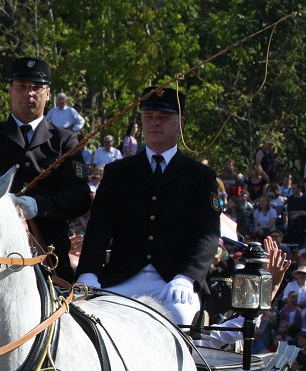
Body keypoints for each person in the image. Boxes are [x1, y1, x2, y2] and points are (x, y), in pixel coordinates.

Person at [76, 86, 220, 325]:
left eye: (163, 118)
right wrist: (88, 272)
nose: (155, 123)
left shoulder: (200, 177)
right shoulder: (118, 173)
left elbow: (207, 235)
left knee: (181, 319)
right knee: (84, 320)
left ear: (180, 123)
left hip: (172, 281)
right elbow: (99, 228)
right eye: (149, 117)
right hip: (122, 278)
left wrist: (187, 277)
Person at [0, 57, 91, 282]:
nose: (29, 94)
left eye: (36, 88)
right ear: (10, 91)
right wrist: (4, 204)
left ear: (48, 93)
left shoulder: (65, 141)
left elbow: (80, 197)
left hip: (49, 253)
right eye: (22, 87)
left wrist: (39, 206)